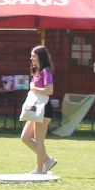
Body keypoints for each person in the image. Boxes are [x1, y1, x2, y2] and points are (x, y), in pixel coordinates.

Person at [20, 44, 56, 173]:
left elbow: (49, 90)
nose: (31, 58)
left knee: (39, 140)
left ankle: (40, 169)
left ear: (40, 57)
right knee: (25, 137)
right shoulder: (36, 71)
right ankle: (47, 161)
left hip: (44, 109)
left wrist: (34, 88)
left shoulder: (46, 71)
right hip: (36, 108)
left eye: (33, 56)